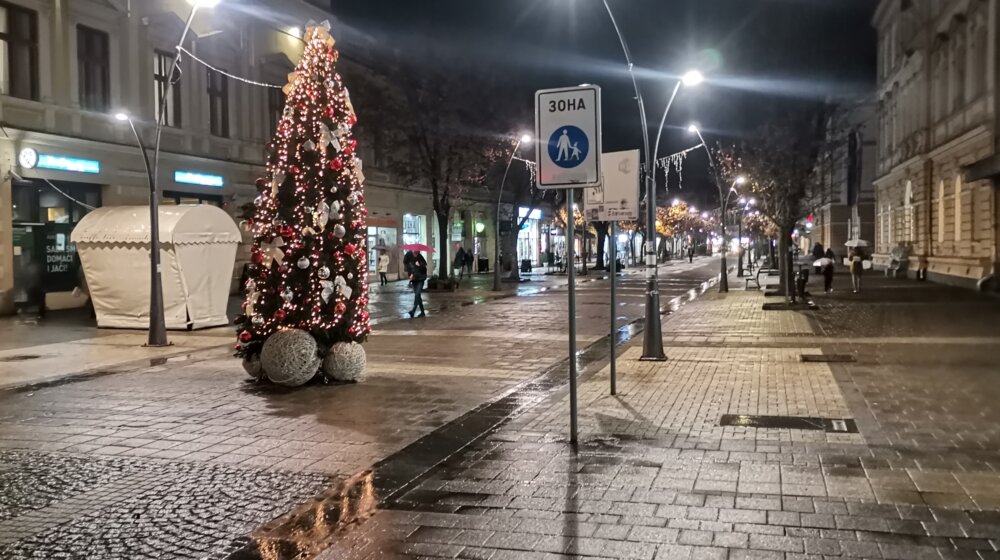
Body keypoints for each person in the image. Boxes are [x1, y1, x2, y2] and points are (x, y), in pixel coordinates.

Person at [408, 252, 428, 318]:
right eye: (413, 252)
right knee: (418, 296)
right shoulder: (411, 261)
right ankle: (422, 312)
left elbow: (424, 270)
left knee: (417, 294)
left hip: (420, 280)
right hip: (414, 280)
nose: (414, 253)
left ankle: (413, 311)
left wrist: (419, 266)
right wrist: (410, 275)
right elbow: (410, 270)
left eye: (416, 252)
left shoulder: (422, 260)